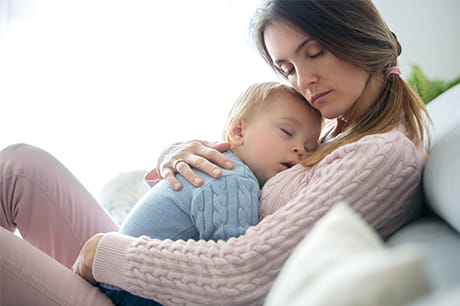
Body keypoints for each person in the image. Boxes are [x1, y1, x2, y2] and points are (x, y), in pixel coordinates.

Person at [0, 1, 432, 305]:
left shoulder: (380, 154)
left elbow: (245, 273)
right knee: (21, 165)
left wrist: (104, 254)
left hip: (155, 294)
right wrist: (178, 153)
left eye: (314, 52)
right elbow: (245, 153)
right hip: (152, 266)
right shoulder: (339, 128)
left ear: (357, 34)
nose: (304, 81)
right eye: (287, 69)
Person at [99, 81, 322, 306]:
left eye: (310, 146)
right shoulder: (230, 177)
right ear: (238, 131)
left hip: (120, 278)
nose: (300, 149)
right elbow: (232, 263)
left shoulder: (227, 170)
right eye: (287, 132)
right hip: (131, 289)